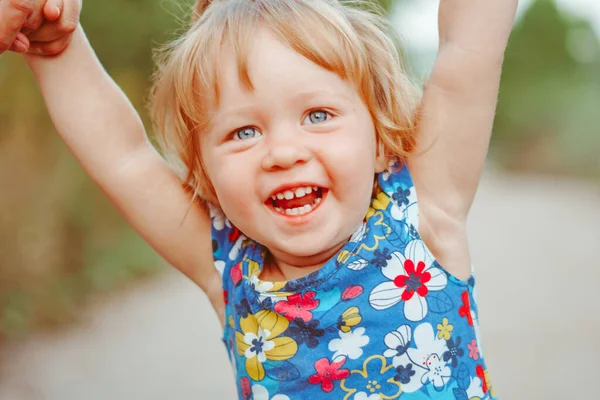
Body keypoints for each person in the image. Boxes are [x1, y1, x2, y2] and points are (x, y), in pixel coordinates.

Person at [6, 0, 518, 398]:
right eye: (244, 131)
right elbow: (123, 156)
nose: (283, 153)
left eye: (318, 115)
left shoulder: (423, 210)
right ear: (204, 168)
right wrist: (53, 44)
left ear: (380, 137)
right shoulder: (224, 263)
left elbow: (466, 54)